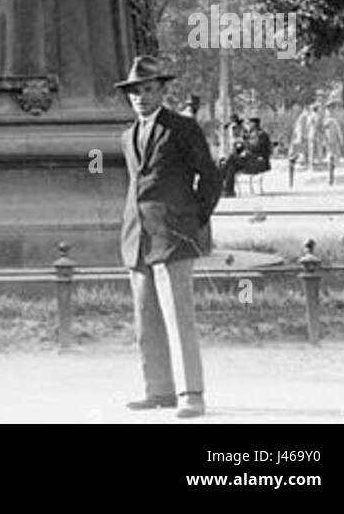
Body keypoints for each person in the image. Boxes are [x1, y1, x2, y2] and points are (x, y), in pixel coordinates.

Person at [117, 56, 222, 420]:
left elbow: (209, 177)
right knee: (146, 317)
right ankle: (158, 390)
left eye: (148, 90)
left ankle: (191, 393)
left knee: (180, 316)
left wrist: (194, 218)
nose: (141, 98)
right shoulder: (127, 135)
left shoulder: (181, 128)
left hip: (174, 235)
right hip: (139, 237)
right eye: (135, 92)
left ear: (162, 90)